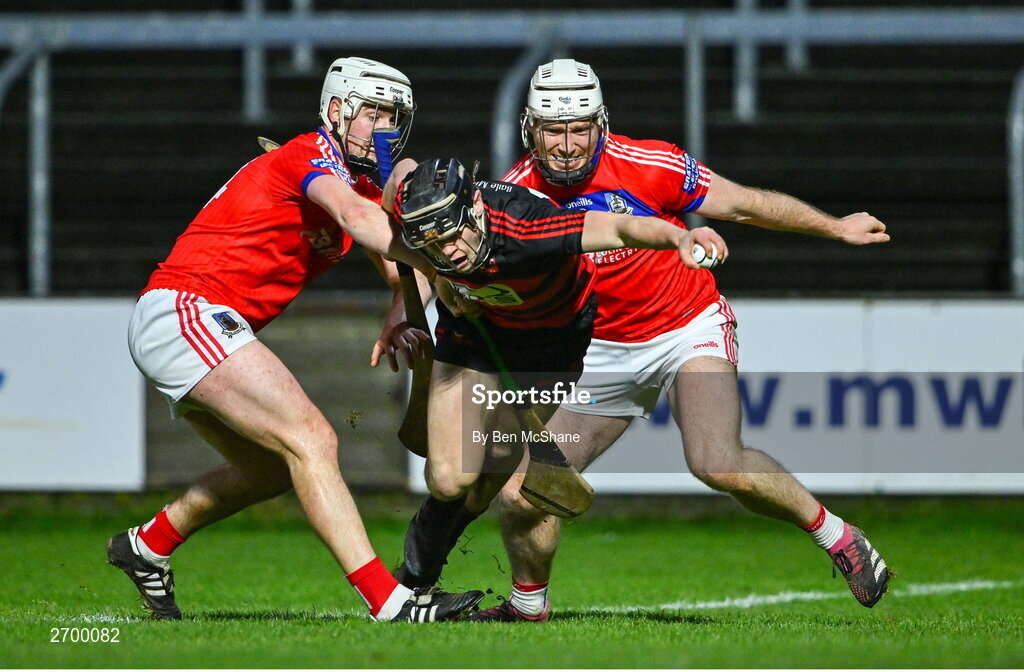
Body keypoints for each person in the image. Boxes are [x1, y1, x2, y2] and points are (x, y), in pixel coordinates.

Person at [463, 58, 893, 621]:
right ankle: (526, 609)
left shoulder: (650, 163)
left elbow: (745, 203)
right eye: (553, 130)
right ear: (529, 130)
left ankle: (836, 534)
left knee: (717, 462)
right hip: (600, 352)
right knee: (524, 493)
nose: (566, 145)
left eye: (578, 129)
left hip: (687, 326)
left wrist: (835, 226)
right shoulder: (514, 197)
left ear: (601, 125)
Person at [106, 56, 483, 623]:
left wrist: (401, 307)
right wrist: (444, 253)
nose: (384, 130)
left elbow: (399, 266)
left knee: (272, 468)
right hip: (187, 309)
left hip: (207, 322)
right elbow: (360, 220)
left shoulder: (358, 184)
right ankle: (391, 603)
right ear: (336, 110)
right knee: (312, 437)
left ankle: (147, 546)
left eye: (394, 118)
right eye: (373, 115)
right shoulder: (310, 154)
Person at [387, 157, 729, 597]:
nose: (449, 250)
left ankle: (414, 582)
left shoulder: (531, 228)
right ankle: (417, 574)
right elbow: (397, 178)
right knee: (450, 479)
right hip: (475, 334)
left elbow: (623, 229)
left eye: (454, 236)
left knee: (490, 475)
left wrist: (682, 235)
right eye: (433, 245)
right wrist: (439, 276)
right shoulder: (424, 217)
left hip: (549, 346)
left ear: (474, 204)